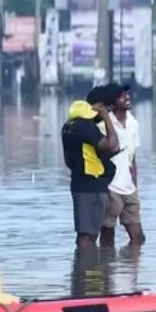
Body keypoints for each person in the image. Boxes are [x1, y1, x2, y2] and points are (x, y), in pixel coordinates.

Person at [61, 88, 120, 248]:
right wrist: (106, 118)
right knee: (88, 235)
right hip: (91, 184)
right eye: (107, 109)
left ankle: (86, 261)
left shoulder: (69, 125)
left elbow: (80, 154)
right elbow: (113, 145)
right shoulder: (85, 127)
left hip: (81, 182)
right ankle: (86, 262)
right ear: (99, 106)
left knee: (86, 233)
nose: (108, 112)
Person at [100, 83, 145, 247]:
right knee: (107, 235)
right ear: (111, 103)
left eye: (126, 94)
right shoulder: (103, 124)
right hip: (111, 188)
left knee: (138, 238)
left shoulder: (133, 123)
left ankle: (131, 262)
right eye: (121, 95)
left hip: (129, 188)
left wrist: (135, 186)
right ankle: (106, 262)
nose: (127, 97)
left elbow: (132, 158)